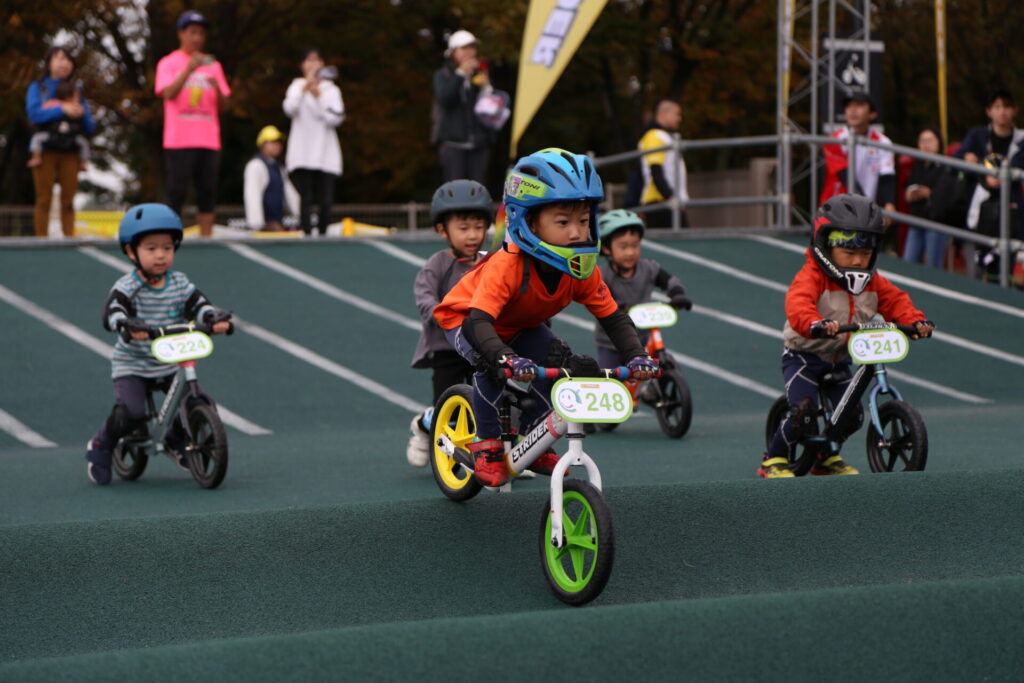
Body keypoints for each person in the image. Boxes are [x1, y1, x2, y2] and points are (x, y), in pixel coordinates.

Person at [433, 149, 659, 487]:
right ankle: (487, 445)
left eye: (583, 221)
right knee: (490, 365)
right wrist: (504, 357)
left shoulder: (579, 268)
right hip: (466, 319)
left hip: (518, 324)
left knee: (559, 361)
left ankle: (533, 438)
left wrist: (637, 355)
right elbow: (478, 322)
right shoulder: (507, 265)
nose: (576, 232)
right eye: (563, 222)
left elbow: (613, 318)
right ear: (529, 222)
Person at [758, 194, 934, 479]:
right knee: (803, 412)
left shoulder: (873, 281)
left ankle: (825, 457)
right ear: (826, 247)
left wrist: (915, 322)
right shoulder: (812, 276)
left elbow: (896, 302)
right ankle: (774, 458)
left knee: (852, 415)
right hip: (804, 357)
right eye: (849, 253)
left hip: (839, 358)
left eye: (865, 254)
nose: (858, 261)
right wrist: (815, 323)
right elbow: (798, 304)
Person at [83, 203, 233, 485]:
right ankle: (101, 444)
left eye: (167, 247)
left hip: (169, 360)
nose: (161, 255)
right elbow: (112, 312)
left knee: (198, 401)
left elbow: (199, 305)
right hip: (134, 364)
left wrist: (213, 318)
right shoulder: (127, 287)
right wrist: (126, 325)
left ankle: (178, 440)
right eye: (151, 249)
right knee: (132, 412)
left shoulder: (179, 283)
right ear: (131, 252)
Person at [406, 179, 494, 467]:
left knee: (491, 402)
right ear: (442, 230)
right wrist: (445, 316)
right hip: (447, 349)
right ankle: (424, 425)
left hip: (482, 346)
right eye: (463, 228)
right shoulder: (438, 264)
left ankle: (496, 456)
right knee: (449, 408)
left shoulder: (491, 262)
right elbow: (425, 299)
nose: (473, 235)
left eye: (479, 227)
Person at [154, 10, 231, 238]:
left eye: (201, 34)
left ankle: (207, 238)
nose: (197, 38)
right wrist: (188, 69)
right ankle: (168, 239)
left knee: (208, 191)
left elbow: (225, 105)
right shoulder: (168, 63)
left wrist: (217, 88)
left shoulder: (213, 65)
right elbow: (167, 93)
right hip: (179, 139)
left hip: (208, 138)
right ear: (181, 34)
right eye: (192, 32)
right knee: (176, 191)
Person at [593, 209, 692, 369]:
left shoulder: (648, 268)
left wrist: (677, 293)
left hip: (642, 336)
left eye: (635, 245)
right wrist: (616, 305)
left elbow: (669, 280)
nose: (630, 252)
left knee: (656, 365)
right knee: (610, 377)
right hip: (611, 342)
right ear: (606, 248)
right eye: (623, 247)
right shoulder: (604, 275)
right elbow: (600, 296)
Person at [25, 45, 96, 238]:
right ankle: (41, 239)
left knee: (68, 199)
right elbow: (33, 114)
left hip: (70, 148)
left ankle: (69, 239)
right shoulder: (38, 87)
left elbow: (90, 126)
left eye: (68, 59)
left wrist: (80, 113)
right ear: (48, 63)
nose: (64, 63)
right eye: (59, 58)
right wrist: (62, 109)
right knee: (44, 197)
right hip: (45, 147)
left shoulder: (76, 91)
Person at [954, 89, 1024, 279]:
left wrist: (1005, 176)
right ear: (989, 111)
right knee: (974, 276)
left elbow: (1018, 168)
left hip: (1009, 216)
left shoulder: (1021, 140)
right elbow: (957, 161)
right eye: (997, 107)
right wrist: (982, 173)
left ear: (1015, 110)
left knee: (1002, 276)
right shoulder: (977, 135)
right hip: (977, 215)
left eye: (1006, 107)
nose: (1002, 112)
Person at [283, 48, 345, 237]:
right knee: (306, 197)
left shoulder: (331, 90)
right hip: (302, 152)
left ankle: (324, 235)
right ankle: (306, 234)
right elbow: (289, 108)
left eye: (316, 60)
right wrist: (305, 89)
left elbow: (335, 118)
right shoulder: (295, 87)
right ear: (302, 65)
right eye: (308, 61)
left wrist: (318, 96)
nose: (312, 64)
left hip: (325, 152)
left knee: (325, 199)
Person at [819, 92, 896, 229]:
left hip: (863, 211)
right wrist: (869, 210)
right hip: (834, 210)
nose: (853, 110)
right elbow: (846, 177)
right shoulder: (834, 140)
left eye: (859, 105)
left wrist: (890, 205)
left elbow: (887, 177)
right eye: (849, 106)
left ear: (872, 114)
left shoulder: (883, 142)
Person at [433, 30, 494, 184]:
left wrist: (487, 87)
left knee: (477, 188)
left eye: (472, 48)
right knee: (456, 189)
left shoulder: (478, 74)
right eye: (464, 48)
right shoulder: (443, 75)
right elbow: (445, 99)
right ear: (453, 52)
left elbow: (490, 108)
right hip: (453, 145)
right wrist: (460, 73)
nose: (469, 52)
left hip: (478, 144)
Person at [901, 126, 948, 269]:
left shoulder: (945, 166)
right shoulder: (917, 166)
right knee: (908, 263)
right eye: (922, 141)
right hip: (916, 220)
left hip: (936, 223)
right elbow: (907, 188)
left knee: (933, 266)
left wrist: (929, 194)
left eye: (930, 141)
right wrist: (910, 194)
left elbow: (946, 195)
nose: (925, 145)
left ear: (939, 143)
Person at [637, 99, 689, 228]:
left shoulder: (662, 136)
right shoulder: (655, 136)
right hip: (661, 201)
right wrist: (670, 196)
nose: (679, 119)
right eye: (677, 114)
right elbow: (656, 170)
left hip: (665, 201)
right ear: (664, 113)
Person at [243, 125, 300, 231]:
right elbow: (252, 196)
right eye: (273, 142)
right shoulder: (256, 165)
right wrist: (257, 225)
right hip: (265, 227)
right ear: (262, 144)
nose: (277, 145)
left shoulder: (279, 168)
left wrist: (303, 215)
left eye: (279, 142)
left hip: (277, 224)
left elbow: (290, 196)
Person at [27, 81, 90, 172]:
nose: (78, 99)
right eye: (76, 96)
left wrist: (78, 111)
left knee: (83, 143)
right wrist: (61, 109)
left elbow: (81, 115)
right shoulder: (53, 103)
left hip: (70, 136)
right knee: (36, 138)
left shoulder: (77, 106)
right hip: (51, 134)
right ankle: (36, 157)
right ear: (68, 96)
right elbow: (38, 114)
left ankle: (84, 162)